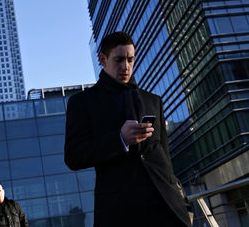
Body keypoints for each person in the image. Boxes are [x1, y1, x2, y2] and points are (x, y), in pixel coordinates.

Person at [64, 32, 192, 226]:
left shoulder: (153, 100)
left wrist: (179, 198)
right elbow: (73, 156)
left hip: (166, 206)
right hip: (120, 210)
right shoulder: (82, 102)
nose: (126, 66)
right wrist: (120, 139)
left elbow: (164, 154)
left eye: (130, 59)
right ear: (102, 60)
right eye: (119, 59)